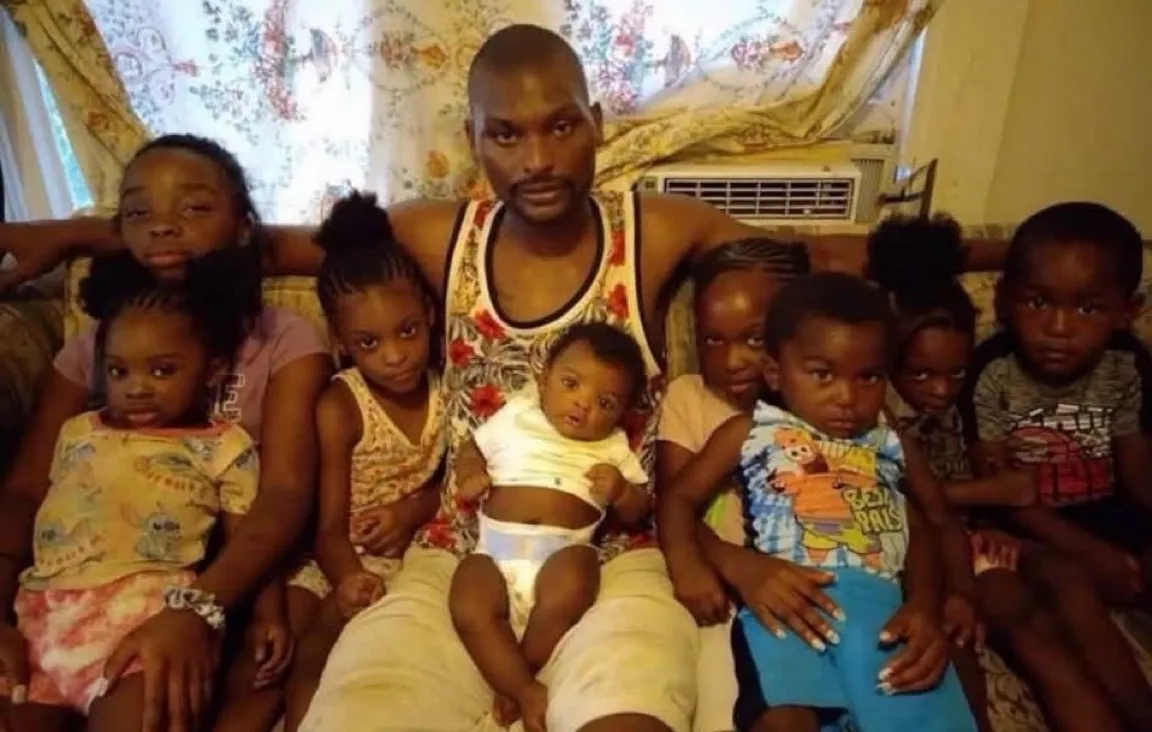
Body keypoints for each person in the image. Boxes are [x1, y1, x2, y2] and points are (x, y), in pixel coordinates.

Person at [0, 25, 1005, 732]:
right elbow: (263, 242)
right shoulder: (443, 233)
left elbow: (819, 257)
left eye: (561, 126)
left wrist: (998, 258)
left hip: (615, 553)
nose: (537, 159)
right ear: (474, 138)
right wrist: (83, 234)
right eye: (507, 134)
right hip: (455, 549)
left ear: (597, 122)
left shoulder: (654, 228)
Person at [0, 135, 330, 732]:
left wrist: (197, 608)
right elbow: (26, 488)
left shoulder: (281, 337)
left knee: (239, 679)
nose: (162, 227)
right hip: (78, 583)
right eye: (137, 212)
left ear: (243, 225)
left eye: (194, 207)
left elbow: (284, 494)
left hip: (242, 562)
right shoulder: (99, 343)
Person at [660, 272, 977, 732]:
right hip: (789, 605)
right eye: (822, 374)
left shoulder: (889, 443)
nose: (847, 398)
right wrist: (690, 562)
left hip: (885, 612)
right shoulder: (751, 431)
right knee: (783, 720)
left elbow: (931, 521)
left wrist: (939, 600)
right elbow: (678, 496)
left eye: (868, 377)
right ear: (774, 372)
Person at [871, 214, 1145, 732]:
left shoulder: (963, 391)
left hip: (978, 536)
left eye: (954, 374)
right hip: (932, 549)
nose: (941, 389)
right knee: (1024, 620)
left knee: (1067, 578)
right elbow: (908, 494)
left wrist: (990, 512)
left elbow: (992, 485)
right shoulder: (879, 409)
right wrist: (991, 495)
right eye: (922, 374)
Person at [0, 250, 265, 731]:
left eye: (162, 370)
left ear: (212, 371)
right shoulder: (76, 431)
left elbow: (250, 538)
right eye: (119, 371)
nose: (136, 388)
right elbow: (29, 502)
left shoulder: (224, 446)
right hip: (41, 619)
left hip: (143, 620)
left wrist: (269, 617)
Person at [959, 201, 1152, 730]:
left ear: (1127, 310)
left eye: (1088, 309)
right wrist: (1090, 552)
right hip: (1033, 527)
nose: (1059, 328)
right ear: (1006, 300)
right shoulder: (994, 371)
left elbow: (1136, 467)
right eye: (1038, 302)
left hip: (1111, 513)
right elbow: (1004, 492)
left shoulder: (1127, 363)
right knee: (1069, 584)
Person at [280, 192, 445, 732]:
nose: (395, 355)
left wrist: (413, 509)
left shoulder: (449, 388)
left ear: (429, 314)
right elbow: (327, 528)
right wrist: (349, 578)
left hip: (414, 558)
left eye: (407, 331)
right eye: (369, 342)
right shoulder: (341, 405)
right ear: (342, 342)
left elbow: (454, 479)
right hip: (337, 561)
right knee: (299, 653)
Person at [451, 322, 651, 731]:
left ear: (622, 413)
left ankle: (517, 672)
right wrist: (470, 474)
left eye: (605, 402)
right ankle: (525, 690)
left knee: (577, 577)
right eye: (570, 384)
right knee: (468, 600)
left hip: (561, 553)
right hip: (494, 553)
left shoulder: (613, 446)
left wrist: (621, 491)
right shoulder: (518, 415)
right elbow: (471, 448)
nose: (583, 404)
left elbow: (640, 510)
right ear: (544, 380)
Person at [656, 237, 811, 732]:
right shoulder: (691, 398)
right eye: (713, 340)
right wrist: (731, 563)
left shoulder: (826, 402)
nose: (733, 360)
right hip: (725, 585)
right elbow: (673, 498)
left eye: (754, 339)